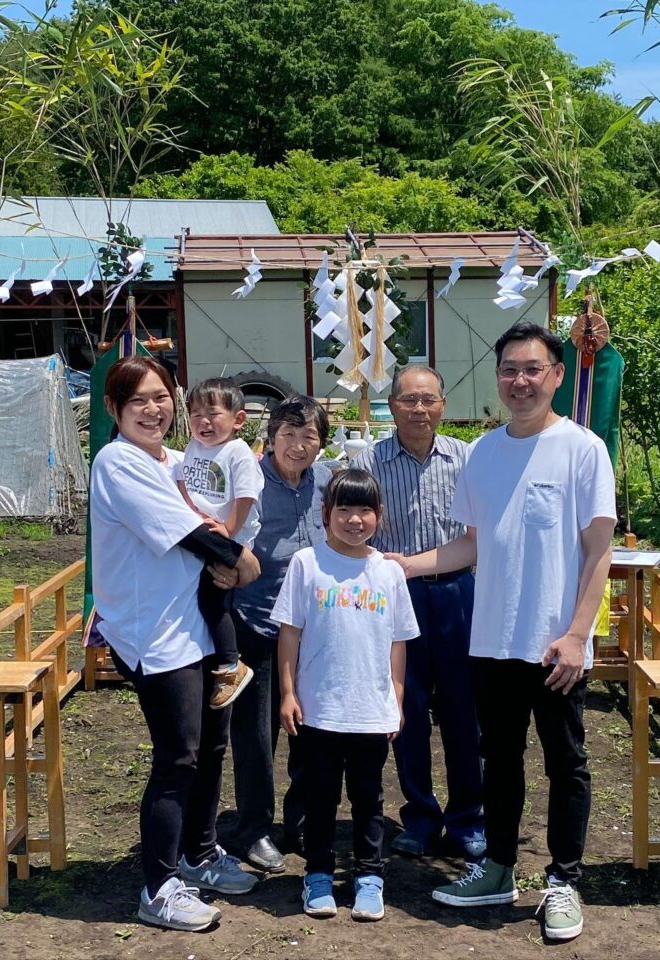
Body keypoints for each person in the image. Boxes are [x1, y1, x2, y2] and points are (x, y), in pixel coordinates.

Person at [395, 322, 616, 942]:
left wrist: (578, 634)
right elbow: (470, 542)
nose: (520, 381)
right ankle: (497, 868)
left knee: (565, 762)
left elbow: (598, 551)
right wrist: (403, 565)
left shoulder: (582, 449)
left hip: (554, 645)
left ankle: (564, 880)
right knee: (500, 762)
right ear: (498, 378)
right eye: (509, 370)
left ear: (556, 375)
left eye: (532, 369)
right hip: (491, 639)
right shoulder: (485, 452)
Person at [90, 356, 261, 932]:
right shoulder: (118, 462)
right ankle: (159, 886)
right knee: (178, 755)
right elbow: (189, 532)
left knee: (212, 746)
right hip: (152, 633)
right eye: (137, 400)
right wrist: (240, 561)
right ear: (114, 409)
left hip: (195, 624)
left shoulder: (175, 461)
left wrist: (228, 557)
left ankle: (200, 852)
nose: (153, 409)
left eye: (161, 396)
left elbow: (212, 512)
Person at [273, 469, 418, 922]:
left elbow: (398, 642)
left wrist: (395, 700)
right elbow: (290, 634)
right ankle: (317, 873)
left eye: (365, 510)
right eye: (344, 510)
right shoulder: (306, 564)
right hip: (318, 710)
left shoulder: (389, 572)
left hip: (370, 712)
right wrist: (288, 693)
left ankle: (369, 875)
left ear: (379, 515)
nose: (354, 520)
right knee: (319, 797)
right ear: (325, 514)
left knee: (369, 798)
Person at [352, 365, 484, 860]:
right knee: (404, 709)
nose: (419, 410)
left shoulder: (466, 459)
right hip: (391, 601)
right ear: (393, 405)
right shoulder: (370, 462)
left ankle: (468, 817)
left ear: (443, 404)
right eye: (408, 400)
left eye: (428, 400)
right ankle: (421, 816)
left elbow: (477, 539)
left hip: (454, 594)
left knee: (463, 710)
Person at [225, 395, 333, 873]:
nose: (297, 445)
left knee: (312, 730)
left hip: (314, 630)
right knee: (256, 736)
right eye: (288, 435)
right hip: (256, 623)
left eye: (309, 436)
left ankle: (305, 820)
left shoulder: (328, 482)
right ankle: (253, 829)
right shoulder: (248, 482)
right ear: (270, 438)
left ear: (321, 444)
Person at [176, 377, 264, 709]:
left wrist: (228, 529)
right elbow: (185, 484)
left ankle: (230, 665)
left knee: (212, 601)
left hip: (229, 538)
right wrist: (188, 512)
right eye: (196, 414)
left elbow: (245, 497)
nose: (204, 422)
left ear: (238, 420)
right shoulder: (192, 447)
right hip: (203, 533)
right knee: (198, 598)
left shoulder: (237, 452)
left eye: (213, 414)